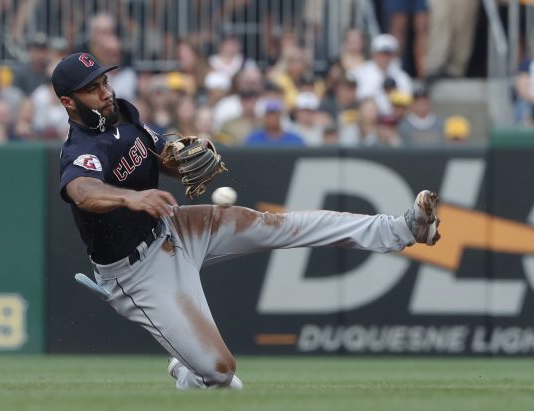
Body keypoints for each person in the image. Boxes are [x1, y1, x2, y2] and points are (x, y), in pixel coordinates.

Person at [53, 52, 441, 390]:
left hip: (175, 227)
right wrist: (133, 197)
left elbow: (160, 154)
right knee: (222, 376)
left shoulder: (121, 113)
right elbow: (83, 191)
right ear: (69, 102)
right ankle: (188, 369)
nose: (105, 92)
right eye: (93, 89)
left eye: (104, 81)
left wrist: (179, 155)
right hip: (137, 272)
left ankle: (401, 229)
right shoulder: (81, 149)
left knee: (282, 226)